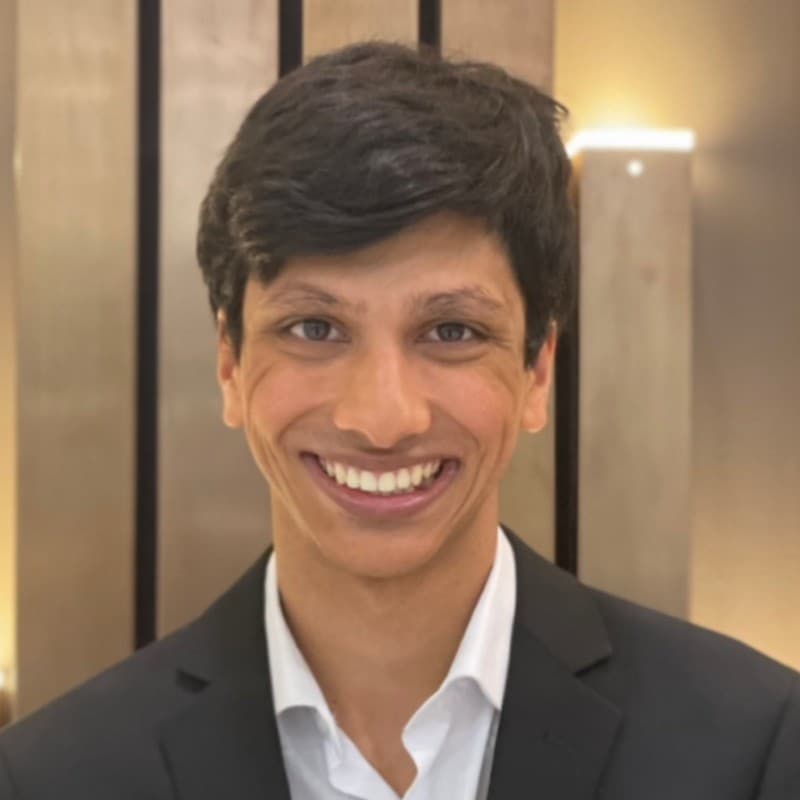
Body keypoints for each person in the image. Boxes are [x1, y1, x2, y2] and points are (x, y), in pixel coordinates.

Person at [0, 41, 797, 800]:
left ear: (537, 370)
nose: (382, 419)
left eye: (451, 331)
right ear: (230, 363)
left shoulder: (753, 749)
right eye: (315, 328)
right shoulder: (53, 778)